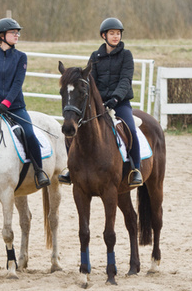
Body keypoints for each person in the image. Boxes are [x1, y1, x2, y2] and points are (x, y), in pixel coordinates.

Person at [59, 17, 142, 187]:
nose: (115, 37)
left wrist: (115, 98)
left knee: (131, 130)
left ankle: (135, 169)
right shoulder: (95, 56)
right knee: (74, 130)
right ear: (104, 35)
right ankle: (70, 169)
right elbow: (92, 82)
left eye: (118, 34)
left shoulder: (126, 55)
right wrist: (97, 101)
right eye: (112, 33)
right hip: (99, 104)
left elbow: (125, 81)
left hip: (120, 103)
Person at [0, 17, 49, 189]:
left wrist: (6, 103)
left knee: (29, 134)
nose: (17, 35)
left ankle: (39, 171)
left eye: (17, 32)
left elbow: (18, 83)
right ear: (2, 36)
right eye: (13, 32)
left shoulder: (21, 57)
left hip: (15, 107)